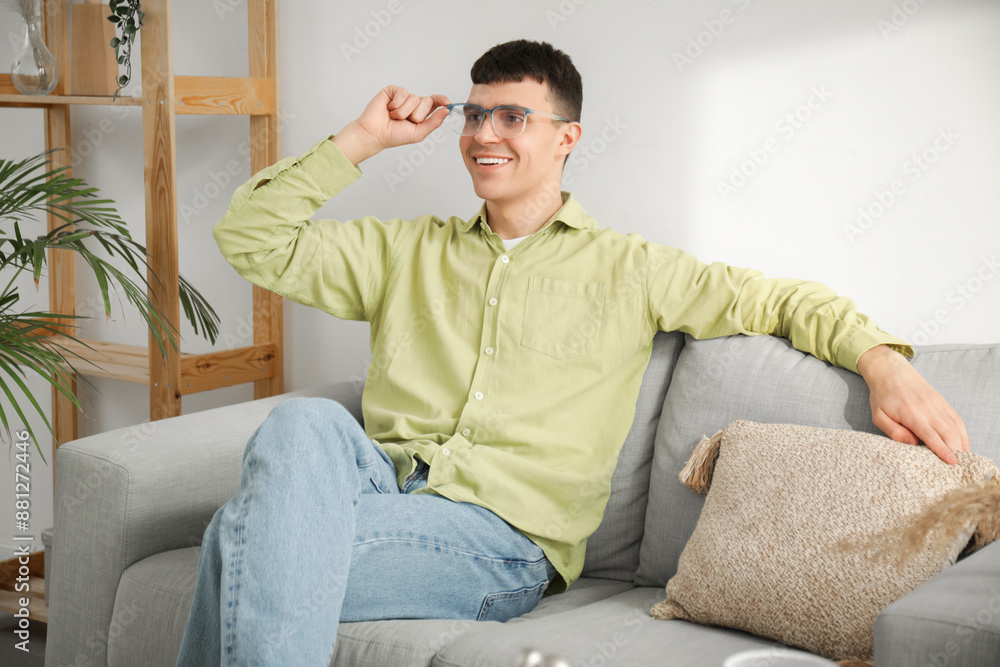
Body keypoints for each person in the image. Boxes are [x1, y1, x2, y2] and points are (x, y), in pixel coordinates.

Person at [175, 39, 969, 666]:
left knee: (239, 538)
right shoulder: (404, 251)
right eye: (474, 115)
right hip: (381, 484)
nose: (483, 134)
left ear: (567, 137)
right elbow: (248, 238)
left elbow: (780, 301)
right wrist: (362, 139)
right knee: (301, 425)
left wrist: (882, 362)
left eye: (511, 117)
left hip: (500, 542)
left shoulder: (631, 269)